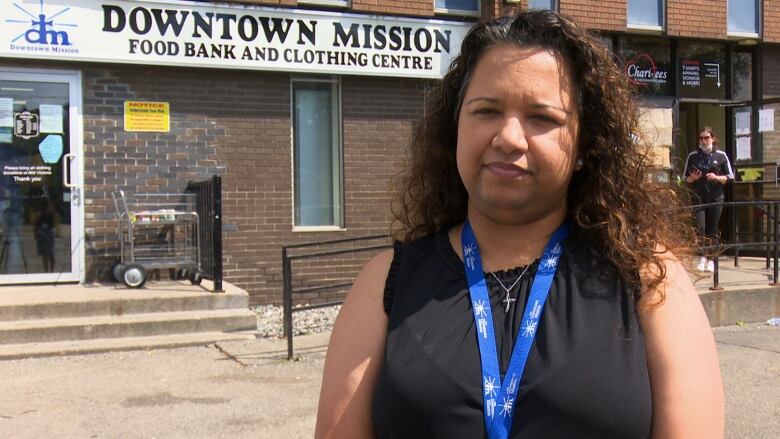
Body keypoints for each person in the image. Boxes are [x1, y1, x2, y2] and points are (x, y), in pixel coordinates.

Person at [315, 10, 724, 439]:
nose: (509, 137)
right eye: (486, 110)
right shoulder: (385, 286)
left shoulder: (650, 282)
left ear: (586, 143)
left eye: (542, 118)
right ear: (454, 128)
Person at [684, 127, 734, 272]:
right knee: (701, 228)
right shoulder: (693, 156)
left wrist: (717, 177)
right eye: (701, 138)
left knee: (712, 228)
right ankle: (702, 257)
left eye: (707, 138)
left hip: (716, 197)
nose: (704, 141)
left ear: (712, 138)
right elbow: (682, 178)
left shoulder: (721, 155)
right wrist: (692, 178)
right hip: (698, 197)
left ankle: (712, 259)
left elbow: (730, 177)